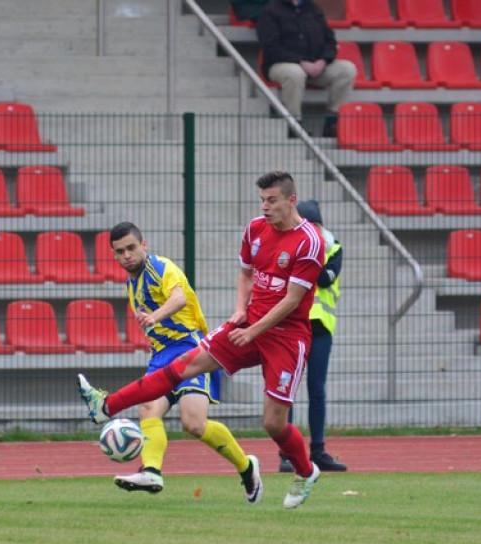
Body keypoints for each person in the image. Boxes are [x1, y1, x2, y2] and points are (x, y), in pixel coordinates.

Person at [79, 170, 326, 510]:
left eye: (272, 201)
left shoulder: (310, 241)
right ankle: (106, 406)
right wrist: (240, 311)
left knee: (272, 422)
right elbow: (246, 273)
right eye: (262, 201)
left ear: (291, 200)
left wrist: (252, 331)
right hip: (248, 324)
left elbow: (292, 300)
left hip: (286, 337)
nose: (265, 208)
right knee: (182, 368)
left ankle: (305, 470)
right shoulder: (255, 229)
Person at [105, 222, 262, 500]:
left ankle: (246, 466)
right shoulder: (133, 285)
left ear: (144, 245)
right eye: (120, 251)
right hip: (161, 356)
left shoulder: (162, 268)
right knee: (148, 409)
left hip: (190, 349)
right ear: (115, 256)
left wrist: (154, 317)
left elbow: (177, 299)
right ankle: (151, 470)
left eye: (131, 247)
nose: (127, 255)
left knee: (194, 424)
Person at [278, 200, 346, 474]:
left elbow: (326, 279)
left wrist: (304, 257)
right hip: (292, 327)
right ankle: (286, 453)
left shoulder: (334, 248)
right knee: (287, 391)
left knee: (316, 390)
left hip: (320, 329)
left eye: (313, 225)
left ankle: (318, 450)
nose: (309, 231)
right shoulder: (287, 248)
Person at [256, 0, 356, 137]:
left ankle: (333, 122)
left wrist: (323, 60)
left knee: (347, 69)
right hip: (280, 64)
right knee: (294, 73)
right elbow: (270, 48)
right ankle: (294, 125)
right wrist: (301, 62)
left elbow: (330, 41)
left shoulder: (314, 9)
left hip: (315, 64)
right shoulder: (270, 10)